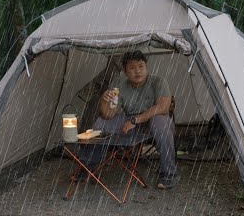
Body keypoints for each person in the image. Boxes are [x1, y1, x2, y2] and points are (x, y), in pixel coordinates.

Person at [74, 50, 180, 189]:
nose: (138, 71)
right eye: (132, 68)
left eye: (141, 66)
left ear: (146, 67)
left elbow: (163, 107)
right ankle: (87, 168)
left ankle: (170, 174)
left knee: (160, 122)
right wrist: (104, 101)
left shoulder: (158, 81)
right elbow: (108, 115)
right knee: (100, 123)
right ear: (124, 71)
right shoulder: (119, 84)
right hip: (131, 122)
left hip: (154, 119)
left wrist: (136, 120)